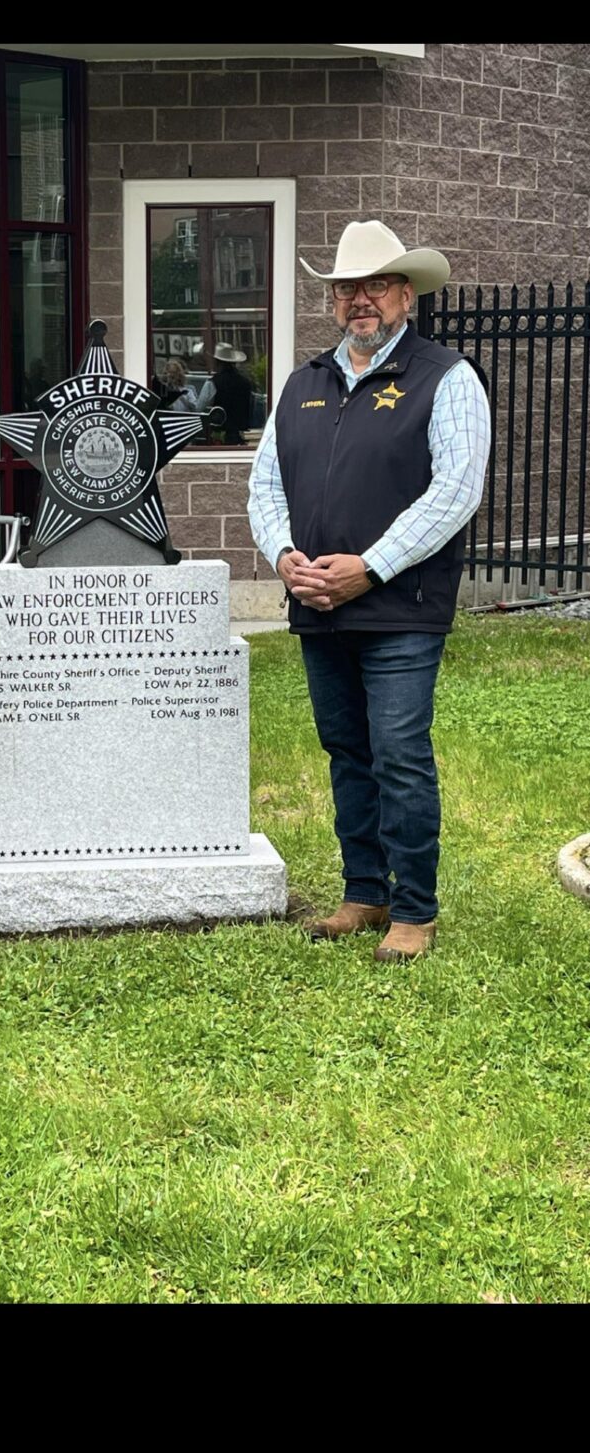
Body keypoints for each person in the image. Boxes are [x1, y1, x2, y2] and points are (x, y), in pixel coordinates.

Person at [248, 220, 491, 963]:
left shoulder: (445, 377)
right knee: (346, 750)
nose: (360, 300)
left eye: (375, 285)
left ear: (406, 294)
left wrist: (369, 566)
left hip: (398, 609)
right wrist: (285, 556)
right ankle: (363, 892)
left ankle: (412, 909)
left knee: (397, 753)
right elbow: (264, 483)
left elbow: (454, 491)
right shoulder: (303, 383)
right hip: (318, 603)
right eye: (346, 287)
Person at [210, 342, 253, 443]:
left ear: (217, 362)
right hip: (240, 434)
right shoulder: (245, 382)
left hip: (220, 436)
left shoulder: (213, 382)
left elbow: (200, 406)